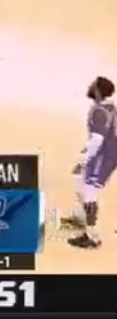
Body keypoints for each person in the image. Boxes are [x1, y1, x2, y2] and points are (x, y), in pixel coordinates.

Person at [66, 76, 116, 249]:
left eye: (93, 85)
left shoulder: (100, 112)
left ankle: (92, 236)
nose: (89, 87)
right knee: (79, 180)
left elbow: (97, 139)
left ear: (97, 91)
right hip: (105, 155)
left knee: (89, 194)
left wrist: (84, 158)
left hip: (101, 157)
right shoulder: (109, 108)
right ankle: (82, 219)